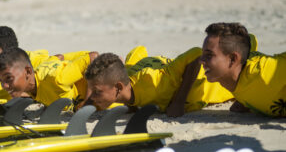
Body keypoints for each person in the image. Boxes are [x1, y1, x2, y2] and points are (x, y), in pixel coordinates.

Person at [84, 45, 233, 116]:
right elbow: (138, 50)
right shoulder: (125, 82)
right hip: (153, 65)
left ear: (118, 87)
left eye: (97, 92)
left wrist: (178, 102)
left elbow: (196, 54)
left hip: (210, 83)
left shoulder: (157, 83)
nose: (92, 97)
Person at [198, 22, 286, 117]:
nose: (201, 60)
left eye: (209, 55)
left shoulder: (261, 72)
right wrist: (244, 101)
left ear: (233, 59)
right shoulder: (231, 80)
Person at [0, 47, 98, 107]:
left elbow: (93, 57)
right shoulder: (32, 85)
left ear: (28, 71)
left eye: (9, 78)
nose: (4, 86)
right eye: (1, 80)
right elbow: (58, 57)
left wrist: (88, 102)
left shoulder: (57, 79)